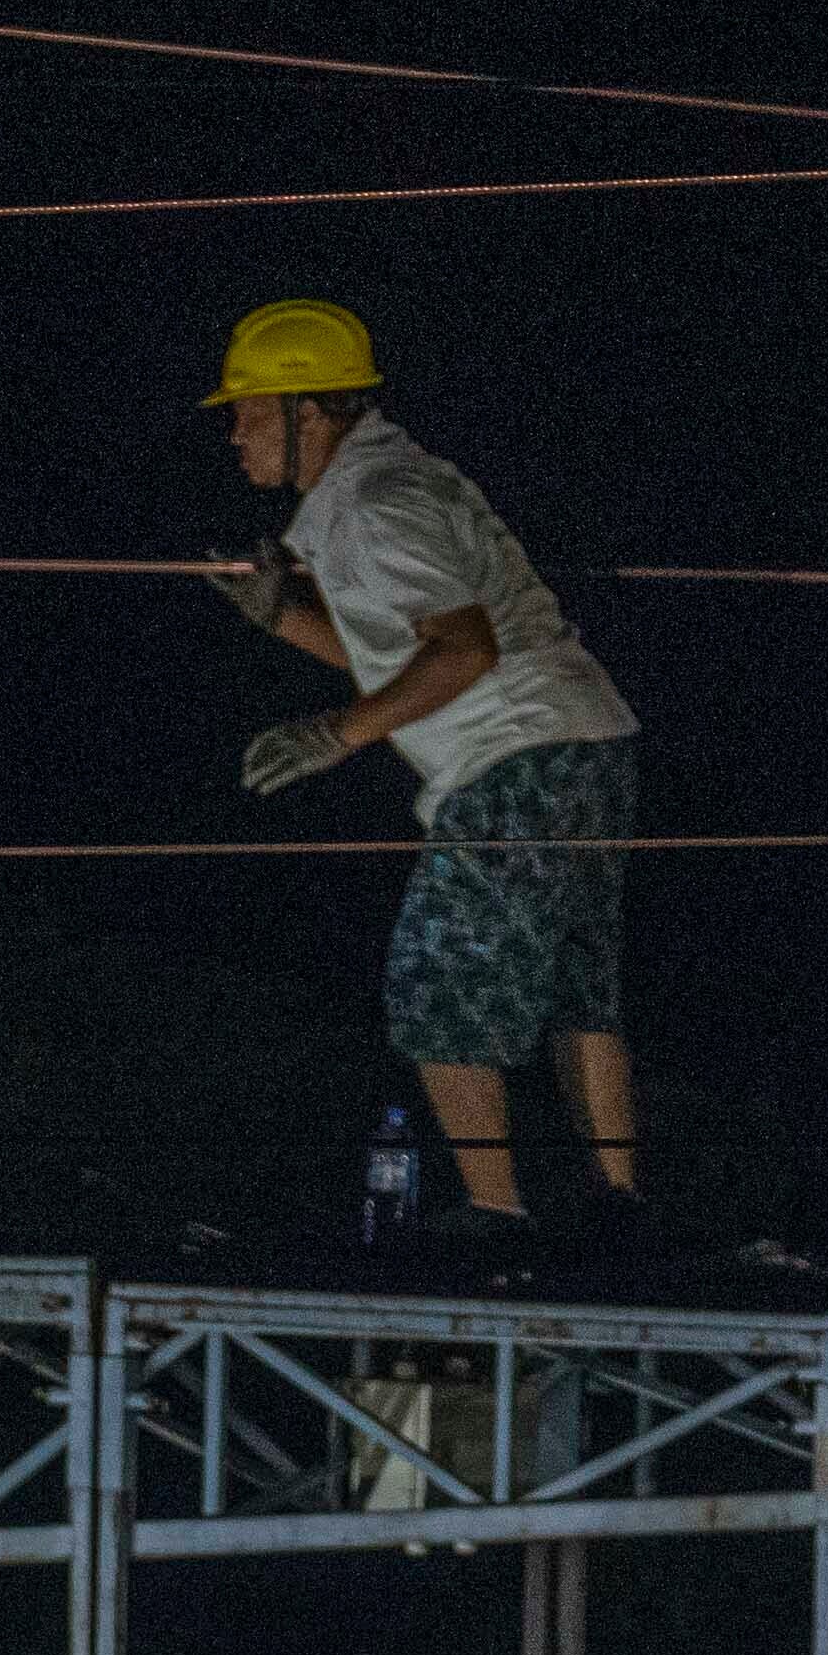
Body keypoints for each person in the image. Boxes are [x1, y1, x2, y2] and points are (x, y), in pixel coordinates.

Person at [193, 302, 647, 1269]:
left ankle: (497, 1215)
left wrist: (338, 734)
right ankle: (617, 1204)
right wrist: (282, 619)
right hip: (584, 742)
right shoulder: (386, 486)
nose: (232, 430)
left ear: (308, 408)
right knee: (575, 985)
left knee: (433, 984)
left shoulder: (370, 506)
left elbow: (463, 653)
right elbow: (407, 654)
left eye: (247, 409)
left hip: (514, 753)